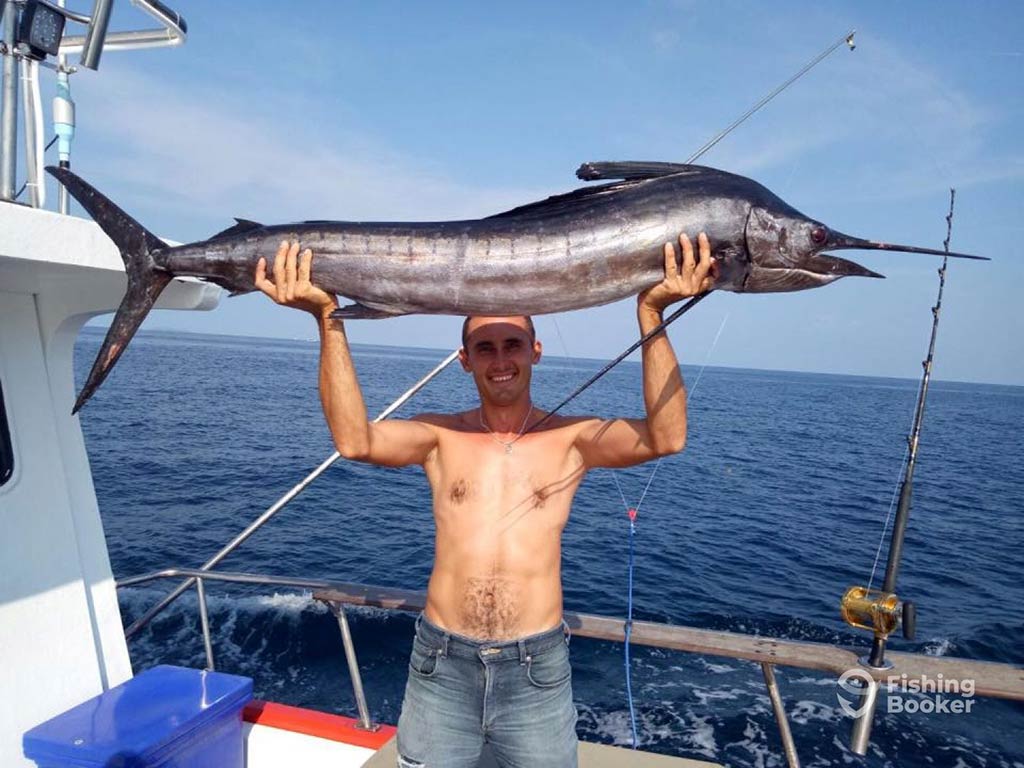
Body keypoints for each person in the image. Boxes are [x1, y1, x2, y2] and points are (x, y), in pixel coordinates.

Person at [255, 232, 716, 768]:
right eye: (485, 347)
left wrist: (651, 312)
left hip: (536, 668)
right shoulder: (438, 437)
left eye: (513, 344)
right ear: (465, 359)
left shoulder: (573, 439)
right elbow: (354, 440)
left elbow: (668, 436)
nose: (501, 359)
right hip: (441, 664)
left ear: (534, 351)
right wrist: (327, 318)